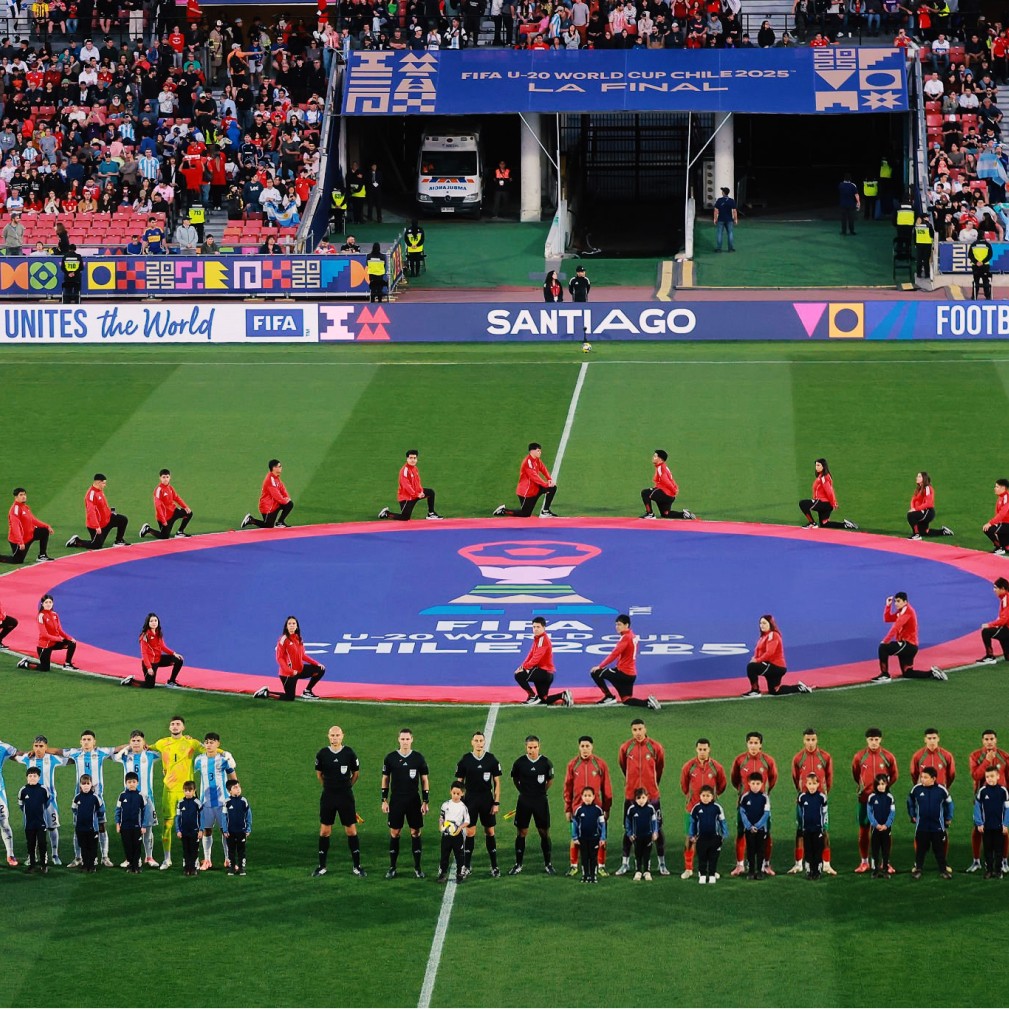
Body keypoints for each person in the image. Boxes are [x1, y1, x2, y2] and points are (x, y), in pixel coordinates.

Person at [149, 716, 205, 870]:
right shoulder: (162, 743)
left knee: (192, 825)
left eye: (178, 724)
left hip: (187, 792)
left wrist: (223, 753)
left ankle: (193, 859)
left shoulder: (191, 742)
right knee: (167, 824)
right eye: (172, 724)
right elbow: (146, 747)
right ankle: (167, 860)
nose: (174, 726)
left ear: (183, 727)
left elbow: (207, 748)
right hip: (169, 790)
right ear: (169, 728)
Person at [616, 718, 669, 876]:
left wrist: (651, 786)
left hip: (651, 796)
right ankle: (625, 863)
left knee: (657, 828)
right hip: (631, 796)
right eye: (634, 730)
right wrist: (631, 784)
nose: (638, 733)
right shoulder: (626, 748)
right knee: (629, 829)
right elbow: (623, 767)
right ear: (631, 731)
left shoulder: (655, 747)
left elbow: (659, 768)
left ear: (645, 729)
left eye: (640, 729)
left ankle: (662, 864)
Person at [313, 724, 364, 878]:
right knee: (325, 831)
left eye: (337, 735)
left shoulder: (349, 753)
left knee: (351, 830)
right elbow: (319, 775)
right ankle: (322, 866)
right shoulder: (322, 754)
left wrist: (346, 786)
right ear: (328, 736)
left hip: (345, 797)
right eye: (332, 735)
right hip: (328, 797)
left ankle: (357, 866)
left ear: (342, 736)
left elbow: (356, 773)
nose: (335, 738)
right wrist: (330, 787)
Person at [381, 728, 430, 879]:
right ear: (398, 740)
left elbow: (424, 780)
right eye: (402, 739)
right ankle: (392, 867)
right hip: (396, 800)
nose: (405, 742)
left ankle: (417, 867)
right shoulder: (390, 758)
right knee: (395, 833)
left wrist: (425, 801)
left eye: (407, 739)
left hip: (414, 800)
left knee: (415, 832)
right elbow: (385, 779)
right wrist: (384, 800)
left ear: (412, 739)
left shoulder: (418, 758)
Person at [729, 732, 779, 877]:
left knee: (766, 834)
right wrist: (742, 792)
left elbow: (773, 778)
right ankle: (740, 865)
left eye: (756, 743)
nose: (753, 746)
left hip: (762, 806)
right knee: (741, 833)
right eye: (750, 743)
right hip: (744, 804)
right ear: (747, 744)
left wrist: (766, 794)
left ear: (761, 745)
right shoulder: (740, 760)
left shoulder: (768, 761)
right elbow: (734, 779)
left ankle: (766, 865)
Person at [787, 729, 836, 875]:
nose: (810, 743)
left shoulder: (825, 757)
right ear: (803, 740)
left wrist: (823, 794)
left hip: (820, 800)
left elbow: (829, 778)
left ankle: (826, 864)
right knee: (800, 831)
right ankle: (798, 864)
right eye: (807, 740)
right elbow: (796, 778)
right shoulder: (798, 758)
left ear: (817, 740)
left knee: (824, 830)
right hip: (803, 800)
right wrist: (803, 792)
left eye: (813, 740)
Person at [455, 731, 502, 878]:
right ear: (472, 742)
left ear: (484, 742)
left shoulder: (491, 760)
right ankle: (467, 866)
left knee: (490, 831)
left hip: (486, 799)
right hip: (470, 800)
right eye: (476, 740)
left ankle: (494, 866)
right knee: (470, 832)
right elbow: (459, 783)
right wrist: (459, 803)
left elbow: (497, 783)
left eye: (481, 740)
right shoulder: (465, 760)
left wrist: (496, 802)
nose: (479, 743)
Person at [564, 736, 612, 877]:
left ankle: (601, 866)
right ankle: (574, 865)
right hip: (577, 808)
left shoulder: (600, 765)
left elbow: (606, 788)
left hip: (596, 810)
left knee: (601, 838)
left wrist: (606, 808)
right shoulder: (573, 765)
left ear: (592, 747)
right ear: (579, 747)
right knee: (575, 837)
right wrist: (568, 808)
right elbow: (567, 787)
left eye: (587, 746)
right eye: (582, 746)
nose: (585, 749)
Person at [678, 738, 726, 880]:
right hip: (692, 808)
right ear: (696, 749)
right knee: (690, 839)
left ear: (709, 749)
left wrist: (712, 798)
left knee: (710, 840)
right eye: (700, 749)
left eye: (705, 749)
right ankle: (688, 868)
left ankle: (710, 869)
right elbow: (684, 785)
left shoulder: (717, 767)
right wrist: (692, 797)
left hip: (711, 812)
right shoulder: (689, 767)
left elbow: (722, 785)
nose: (702, 752)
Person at [852, 726, 899, 872]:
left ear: (880, 740)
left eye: (876, 740)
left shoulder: (888, 756)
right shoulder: (859, 757)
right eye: (871, 740)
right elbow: (856, 774)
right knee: (864, 829)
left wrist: (883, 790)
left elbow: (894, 775)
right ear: (867, 740)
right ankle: (864, 861)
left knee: (883, 831)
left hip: (883, 800)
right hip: (864, 799)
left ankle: (884, 862)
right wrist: (864, 788)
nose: (873, 742)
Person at [872, 592, 947, 682]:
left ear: (905, 602)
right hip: (910, 647)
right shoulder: (902, 611)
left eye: (898, 601)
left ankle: (885, 675)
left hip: (908, 645)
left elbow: (896, 627)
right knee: (908, 673)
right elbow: (887, 619)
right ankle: (932, 673)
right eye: (895, 601)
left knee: (883, 647)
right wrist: (888, 606)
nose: (896, 603)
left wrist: (885, 641)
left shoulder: (907, 612)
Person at [589, 614, 660, 709]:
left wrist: (600, 666)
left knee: (595, 672)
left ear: (626, 625)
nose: (617, 627)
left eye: (619, 624)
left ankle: (609, 697)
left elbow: (614, 654)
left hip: (622, 673)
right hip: (631, 675)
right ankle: (648, 703)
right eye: (616, 624)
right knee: (626, 699)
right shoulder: (633, 636)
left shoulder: (626, 637)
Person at [508, 734, 555, 875]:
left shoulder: (546, 763)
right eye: (530, 747)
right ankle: (518, 864)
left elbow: (550, 780)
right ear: (526, 747)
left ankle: (548, 864)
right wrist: (523, 791)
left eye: (535, 747)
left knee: (544, 832)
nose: (532, 750)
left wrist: (540, 792)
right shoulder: (519, 763)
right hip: (524, 801)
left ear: (539, 747)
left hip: (540, 801)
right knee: (522, 832)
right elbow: (515, 779)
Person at [114, 730, 161, 868]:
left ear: (143, 742)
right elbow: (115, 757)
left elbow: (165, 753)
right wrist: (126, 749)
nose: (136, 743)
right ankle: (132, 858)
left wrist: (151, 747)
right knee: (130, 829)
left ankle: (149, 856)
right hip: (129, 799)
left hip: (147, 798)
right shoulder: (125, 756)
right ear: (130, 742)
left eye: (138, 740)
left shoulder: (151, 755)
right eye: (133, 741)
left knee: (147, 828)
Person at [16, 737, 67, 865]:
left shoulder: (52, 759)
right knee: (34, 829)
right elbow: (14, 756)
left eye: (41, 746)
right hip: (33, 801)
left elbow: (71, 760)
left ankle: (54, 855)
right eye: (36, 746)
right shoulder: (28, 758)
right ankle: (32, 856)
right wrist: (27, 752)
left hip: (49, 801)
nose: (38, 749)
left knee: (52, 827)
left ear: (46, 747)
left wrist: (52, 752)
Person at [967, 729, 1009, 874]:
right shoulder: (975, 756)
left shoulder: (1004, 756)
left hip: (1000, 798)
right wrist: (987, 761)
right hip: (982, 798)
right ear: (982, 741)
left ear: (996, 740)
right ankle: (976, 861)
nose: (989, 742)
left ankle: (1003, 861)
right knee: (978, 829)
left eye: (991, 739)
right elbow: (976, 775)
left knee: (1003, 830)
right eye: (986, 739)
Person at [744, 615, 811, 696]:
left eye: (764, 623)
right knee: (775, 690)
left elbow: (769, 653)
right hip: (773, 666)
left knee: (751, 667)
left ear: (770, 624)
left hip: (775, 666)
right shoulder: (763, 636)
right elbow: (758, 651)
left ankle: (755, 690)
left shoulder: (773, 635)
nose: (762, 625)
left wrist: (757, 660)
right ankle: (799, 687)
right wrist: (755, 658)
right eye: (760, 623)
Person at [513, 615, 570, 707]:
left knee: (518, 675)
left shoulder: (542, 640)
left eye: (538, 627)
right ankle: (563, 695)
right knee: (544, 699)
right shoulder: (538, 638)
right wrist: (521, 667)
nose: (535, 629)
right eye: (534, 627)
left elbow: (535, 659)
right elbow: (530, 654)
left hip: (543, 672)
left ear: (544, 627)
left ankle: (532, 696)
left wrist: (523, 668)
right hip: (546, 674)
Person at [907, 766, 953, 879]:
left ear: (933, 779)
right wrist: (912, 815)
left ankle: (943, 870)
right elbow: (910, 802)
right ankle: (918, 869)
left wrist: (948, 817)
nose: (922, 779)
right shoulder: (916, 789)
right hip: (922, 826)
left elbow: (950, 804)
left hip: (937, 826)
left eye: (925, 777)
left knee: (939, 849)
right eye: (921, 777)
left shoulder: (942, 790)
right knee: (920, 850)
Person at [493, 443, 559, 518]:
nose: (540, 452)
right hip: (526, 492)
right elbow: (534, 477)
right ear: (532, 451)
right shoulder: (528, 462)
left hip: (535, 488)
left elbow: (542, 468)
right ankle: (503, 511)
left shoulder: (536, 459)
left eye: (540, 451)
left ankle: (545, 511)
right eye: (538, 451)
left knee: (552, 488)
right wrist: (546, 484)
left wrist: (549, 479)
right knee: (525, 514)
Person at [65, 473, 129, 550]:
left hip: (107, 519)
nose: (105, 485)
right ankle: (76, 541)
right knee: (96, 545)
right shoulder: (91, 495)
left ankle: (119, 540)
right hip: (98, 525)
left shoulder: (99, 490)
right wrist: (96, 526)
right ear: (98, 482)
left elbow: (102, 506)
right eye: (104, 483)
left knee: (123, 520)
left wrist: (111, 512)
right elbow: (91, 512)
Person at [16, 594, 77, 672]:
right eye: (46, 602)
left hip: (54, 643)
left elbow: (60, 630)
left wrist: (69, 638)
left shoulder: (55, 614)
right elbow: (44, 634)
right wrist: (58, 639)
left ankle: (67, 664)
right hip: (44, 646)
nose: (48, 604)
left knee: (72, 643)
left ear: (53, 603)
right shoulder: (41, 616)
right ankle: (25, 663)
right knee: (45, 668)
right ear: (42, 603)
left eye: (50, 602)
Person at [122, 613, 184, 689]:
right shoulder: (145, 636)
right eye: (151, 621)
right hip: (150, 663)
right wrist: (149, 667)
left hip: (159, 659)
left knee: (179, 660)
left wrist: (174, 653)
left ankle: (171, 681)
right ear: (148, 623)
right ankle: (130, 681)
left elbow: (162, 647)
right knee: (149, 685)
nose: (154, 622)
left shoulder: (158, 632)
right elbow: (144, 653)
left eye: (155, 620)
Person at [379, 450, 442, 521]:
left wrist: (421, 491)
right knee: (405, 517)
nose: (413, 460)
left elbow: (418, 482)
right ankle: (386, 514)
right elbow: (406, 487)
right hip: (406, 498)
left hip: (415, 494)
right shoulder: (404, 471)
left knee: (430, 492)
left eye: (414, 458)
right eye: (411, 458)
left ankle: (431, 513)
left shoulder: (415, 468)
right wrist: (417, 494)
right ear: (407, 459)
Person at [799, 458, 858, 530]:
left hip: (824, 503)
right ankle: (846, 525)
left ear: (823, 466)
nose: (816, 467)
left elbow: (829, 491)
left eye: (818, 465)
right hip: (825, 504)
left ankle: (812, 523)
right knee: (825, 524)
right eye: (816, 465)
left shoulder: (824, 477)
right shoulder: (822, 476)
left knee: (803, 503)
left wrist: (833, 503)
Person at [973, 765, 1009, 878]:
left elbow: (1007, 809)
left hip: (999, 827)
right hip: (986, 827)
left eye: (992, 776)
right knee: (987, 850)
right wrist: (979, 823)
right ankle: (988, 870)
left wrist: (1006, 824)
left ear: (998, 776)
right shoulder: (982, 791)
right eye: (987, 777)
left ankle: (998, 870)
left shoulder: (1003, 791)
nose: (990, 779)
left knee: (999, 850)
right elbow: (977, 808)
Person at [688, 784, 728, 885]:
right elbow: (692, 822)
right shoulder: (696, 808)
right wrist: (692, 835)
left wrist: (724, 834)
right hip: (701, 838)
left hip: (714, 838)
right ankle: (702, 875)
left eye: (708, 796)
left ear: (712, 797)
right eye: (703, 796)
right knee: (702, 857)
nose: (705, 798)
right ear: (700, 796)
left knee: (713, 858)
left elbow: (722, 821)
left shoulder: (717, 808)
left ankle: (712, 875)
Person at [640, 450, 696, 520]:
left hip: (664, 493)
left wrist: (674, 489)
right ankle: (684, 515)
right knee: (665, 514)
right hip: (670, 496)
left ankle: (650, 514)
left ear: (660, 459)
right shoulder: (664, 467)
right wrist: (675, 489)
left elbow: (665, 480)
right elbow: (670, 480)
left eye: (655, 456)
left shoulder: (661, 468)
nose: (653, 458)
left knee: (645, 493)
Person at [2, 487, 53, 565]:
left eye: (24, 494)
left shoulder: (25, 506)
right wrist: (20, 542)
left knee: (44, 531)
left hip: (30, 535)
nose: (24, 496)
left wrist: (47, 526)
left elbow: (33, 520)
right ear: (16, 497)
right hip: (20, 540)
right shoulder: (15, 510)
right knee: (17, 560)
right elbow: (15, 527)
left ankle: (42, 555)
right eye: (21, 495)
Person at [139, 469, 193, 540]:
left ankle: (180, 532)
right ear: (160, 478)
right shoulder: (158, 490)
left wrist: (185, 507)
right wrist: (163, 520)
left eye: (167, 477)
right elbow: (158, 506)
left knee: (189, 513)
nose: (165, 479)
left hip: (174, 511)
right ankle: (148, 529)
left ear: (170, 477)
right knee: (164, 536)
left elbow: (176, 498)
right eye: (163, 477)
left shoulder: (170, 487)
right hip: (165, 517)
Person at [242, 459, 294, 530]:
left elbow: (282, 489)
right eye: (279, 466)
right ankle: (250, 520)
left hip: (274, 504)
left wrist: (287, 498)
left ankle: (280, 522)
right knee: (268, 526)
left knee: (289, 504)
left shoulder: (276, 477)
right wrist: (285, 500)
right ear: (274, 468)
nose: (281, 467)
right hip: (267, 507)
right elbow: (277, 496)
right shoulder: (270, 480)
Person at [19, 767, 51, 874]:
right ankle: (32, 864)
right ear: (27, 778)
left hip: (41, 823)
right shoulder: (23, 790)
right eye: (30, 776)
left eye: (35, 776)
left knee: (42, 843)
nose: (32, 778)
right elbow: (21, 804)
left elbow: (47, 803)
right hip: (29, 824)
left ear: (39, 777)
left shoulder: (43, 789)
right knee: (31, 844)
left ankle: (44, 865)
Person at [571, 785, 606, 883]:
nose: (587, 798)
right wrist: (575, 837)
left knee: (593, 857)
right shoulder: (579, 810)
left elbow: (602, 825)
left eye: (589, 795)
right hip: (583, 838)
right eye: (585, 795)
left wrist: (602, 838)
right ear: (582, 797)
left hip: (594, 838)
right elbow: (574, 824)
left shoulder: (598, 810)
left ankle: (593, 875)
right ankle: (585, 875)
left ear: (594, 796)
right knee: (584, 857)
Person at [796, 773, 828, 880]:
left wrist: (824, 827)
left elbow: (824, 813)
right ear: (806, 784)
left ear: (818, 784)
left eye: (814, 784)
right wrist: (800, 826)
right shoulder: (802, 797)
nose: (812, 786)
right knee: (808, 850)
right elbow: (800, 813)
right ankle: (809, 870)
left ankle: (817, 870)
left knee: (818, 850)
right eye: (810, 784)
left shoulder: (821, 798)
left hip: (818, 829)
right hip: (807, 829)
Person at [436, 782, 470, 884]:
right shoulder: (445, 805)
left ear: (462, 794)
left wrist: (460, 828)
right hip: (446, 835)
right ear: (450, 792)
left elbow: (467, 821)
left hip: (457, 836)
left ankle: (460, 873)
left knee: (459, 855)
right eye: (454, 793)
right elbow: (441, 818)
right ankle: (442, 873)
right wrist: (441, 826)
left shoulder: (463, 807)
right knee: (444, 854)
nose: (455, 795)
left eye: (458, 794)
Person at [738, 773, 770, 879]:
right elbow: (742, 813)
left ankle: (760, 871)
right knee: (750, 850)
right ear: (749, 784)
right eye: (753, 783)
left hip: (760, 829)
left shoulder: (764, 798)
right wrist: (748, 826)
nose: (755, 786)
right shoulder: (745, 797)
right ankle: (751, 871)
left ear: (762, 784)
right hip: (749, 829)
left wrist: (757, 825)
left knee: (760, 850)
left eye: (758, 783)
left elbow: (766, 814)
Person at [71, 774, 105, 873]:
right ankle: (85, 864)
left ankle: (92, 865)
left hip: (92, 828)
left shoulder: (95, 798)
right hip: (80, 828)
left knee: (92, 847)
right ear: (80, 786)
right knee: (83, 847)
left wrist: (96, 820)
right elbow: (74, 809)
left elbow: (101, 810)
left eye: (88, 783)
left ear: (91, 785)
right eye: (83, 784)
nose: (86, 786)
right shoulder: (77, 798)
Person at [115, 771, 147, 873]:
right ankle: (130, 864)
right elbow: (118, 811)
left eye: (133, 782)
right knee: (127, 846)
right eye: (129, 782)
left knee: (137, 847)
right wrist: (117, 824)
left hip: (137, 827)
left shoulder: (141, 796)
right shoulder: (122, 795)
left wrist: (144, 825)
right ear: (126, 783)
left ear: (137, 782)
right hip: (125, 827)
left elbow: (144, 812)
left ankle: (136, 866)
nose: (131, 784)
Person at [626, 787, 660, 881]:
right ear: (635, 799)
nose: (641, 800)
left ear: (647, 798)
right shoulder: (632, 809)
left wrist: (655, 832)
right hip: (636, 837)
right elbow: (628, 823)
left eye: (643, 798)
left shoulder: (650, 809)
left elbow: (654, 822)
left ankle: (647, 871)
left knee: (647, 854)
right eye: (639, 798)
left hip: (648, 836)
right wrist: (630, 834)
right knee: (638, 854)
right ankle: (638, 871)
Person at [907, 471, 953, 539]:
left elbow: (929, 503)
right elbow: (913, 500)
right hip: (922, 511)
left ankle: (916, 535)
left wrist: (916, 509)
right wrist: (913, 508)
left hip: (928, 512)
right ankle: (943, 532)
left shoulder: (927, 488)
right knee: (924, 532)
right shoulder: (918, 488)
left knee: (911, 515)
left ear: (924, 478)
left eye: (919, 476)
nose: (916, 478)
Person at [866, 774, 895, 878]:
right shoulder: (871, 797)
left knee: (886, 849)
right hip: (875, 828)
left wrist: (887, 825)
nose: (881, 786)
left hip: (886, 829)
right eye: (878, 784)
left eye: (883, 784)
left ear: (886, 785)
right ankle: (876, 870)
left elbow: (892, 813)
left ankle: (885, 869)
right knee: (875, 849)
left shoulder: (890, 797)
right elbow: (869, 813)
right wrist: (875, 824)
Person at [978, 577, 1009, 664]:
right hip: (1006, 629)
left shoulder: (1006, 599)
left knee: (986, 632)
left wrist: (990, 625)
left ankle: (990, 656)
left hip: (1007, 629)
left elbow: (1004, 619)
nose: (994, 590)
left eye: (995, 587)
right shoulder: (1005, 598)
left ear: (1002, 588)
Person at [223, 779, 252, 875]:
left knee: (241, 850)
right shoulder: (226, 802)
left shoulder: (244, 801)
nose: (238, 789)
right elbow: (224, 817)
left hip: (241, 831)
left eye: (239, 787)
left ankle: (241, 868)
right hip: (230, 831)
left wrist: (248, 828)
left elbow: (248, 815)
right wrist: (225, 830)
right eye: (235, 787)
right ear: (229, 791)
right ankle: (232, 867)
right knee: (231, 850)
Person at [175, 781, 202, 876]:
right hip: (184, 832)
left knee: (194, 850)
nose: (187, 792)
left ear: (194, 790)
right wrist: (178, 830)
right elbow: (177, 817)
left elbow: (201, 817)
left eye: (190, 790)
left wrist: (201, 830)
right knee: (186, 850)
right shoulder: (180, 803)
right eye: (186, 790)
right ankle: (186, 868)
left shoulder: (197, 803)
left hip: (195, 831)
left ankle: (194, 868)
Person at [982, 477, 1009, 553]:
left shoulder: (1006, 498)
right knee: (989, 529)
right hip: (1003, 523)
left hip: (1006, 524)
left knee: (989, 529)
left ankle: (1001, 547)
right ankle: (1002, 546)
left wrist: (990, 523)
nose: (995, 488)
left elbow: (1002, 514)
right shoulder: (1001, 497)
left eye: (997, 487)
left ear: (1003, 488)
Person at [713, 185, 737, 251]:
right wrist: (735, 219)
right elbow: (734, 211)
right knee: (730, 233)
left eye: (722, 191)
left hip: (721, 219)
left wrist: (715, 219)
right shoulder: (731, 200)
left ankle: (718, 248)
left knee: (719, 233)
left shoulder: (719, 200)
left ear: (723, 192)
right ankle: (730, 248)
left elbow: (716, 211)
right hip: (729, 219)